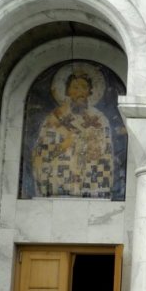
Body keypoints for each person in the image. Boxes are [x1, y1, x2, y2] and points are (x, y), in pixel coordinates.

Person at [32, 69, 114, 198]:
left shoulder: (98, 118)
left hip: (89, 180)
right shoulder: (55, 117)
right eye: (75, 87)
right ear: (68, 91)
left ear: (90, 92)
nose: (80, 92)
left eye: (84, 87)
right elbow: (42, 152)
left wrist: (88, 142)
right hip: (60, 179)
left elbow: (105, 152)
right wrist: (64, 144)